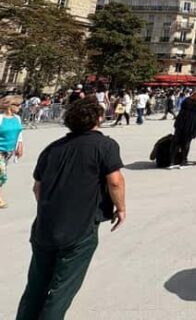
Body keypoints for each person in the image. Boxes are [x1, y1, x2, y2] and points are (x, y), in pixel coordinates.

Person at [16, 96, 125, 319]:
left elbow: (38, 188)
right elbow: (115, 181)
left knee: (35, 287)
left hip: (45, 226)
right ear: (98, 119)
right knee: (60, 291)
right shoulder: (105, 145)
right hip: (80, 228)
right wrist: (120, 208)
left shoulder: (52, 148)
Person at [169, 90, 196, 168]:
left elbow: (181, 109)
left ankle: (172, 161)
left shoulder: (186, 100)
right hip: (192, 123)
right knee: (186, 142)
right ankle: (183, 161)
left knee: (176, 141)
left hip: (181, 121)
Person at [0, 95, 25, 209]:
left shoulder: (17, 118)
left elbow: (19, 133)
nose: (20, 107)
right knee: (2, 175)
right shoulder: (0, 118)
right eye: (18, 105)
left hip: (9, 151)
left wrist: (20, 145)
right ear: (10, 105)